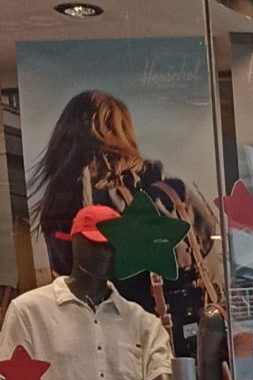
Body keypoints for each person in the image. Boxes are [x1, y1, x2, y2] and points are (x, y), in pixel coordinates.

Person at [31, 91, 223, 356]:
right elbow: (207, 239)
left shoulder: (68, 194)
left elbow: (68, 274)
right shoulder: (171, 189)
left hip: (112, 339)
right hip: (186, 333)